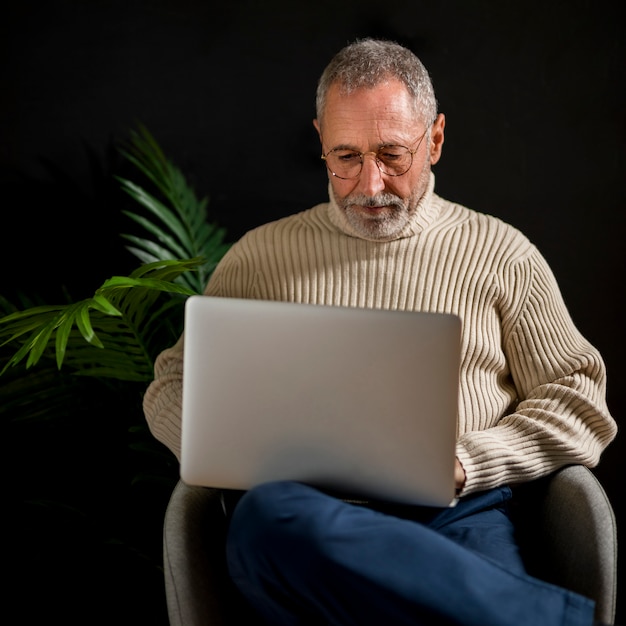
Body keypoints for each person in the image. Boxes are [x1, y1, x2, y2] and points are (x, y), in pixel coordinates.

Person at [143, 38, 617, 625]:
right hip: (303, 518)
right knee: (268, 519)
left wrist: (467, 462)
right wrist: (227, 452)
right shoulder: (260, 256)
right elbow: (172, 383)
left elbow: (580, 399)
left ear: (435, 140)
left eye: (392, 156)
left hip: (457, 513)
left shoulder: (502, 253)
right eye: (345, 157)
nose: (368, 185)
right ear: (319, 140)